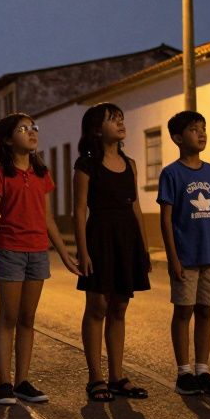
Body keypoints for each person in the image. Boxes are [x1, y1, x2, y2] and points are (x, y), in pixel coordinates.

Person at [0, 113, 80, 404]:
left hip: (38, 252)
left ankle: (22, 381)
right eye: (23, 129)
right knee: (8, 316)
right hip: (10, 251)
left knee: (28, 318)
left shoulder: (42, 173)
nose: (31, 133)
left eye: (33, 128)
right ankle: (4, 383)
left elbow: (48, 219)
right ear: (8, 139)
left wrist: (66, 257)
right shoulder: (1, 173)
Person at [73, 102, 152, 402]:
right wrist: (83, 252)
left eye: (121, 118)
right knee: (97, 307)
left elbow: (137, 208)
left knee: (119, 307)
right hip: (100, 238)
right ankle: (96, 377)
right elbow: (79, 211)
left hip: (126, 238)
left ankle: (118, 376)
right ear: (96, 129)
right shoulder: (87, 165)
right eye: (112, 119)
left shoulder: (130, 163)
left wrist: (143, 250)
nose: (120, 123)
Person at [158, 110, 210, 396]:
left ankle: (203, 369)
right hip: (186, 257)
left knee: (205, 310)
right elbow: (166, 219)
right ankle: (184, 372)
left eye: (203, 128)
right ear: (178, 137)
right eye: (193, 129)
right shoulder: (171, 174)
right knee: (184, 310)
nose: (201, 133)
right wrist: (172, 258)